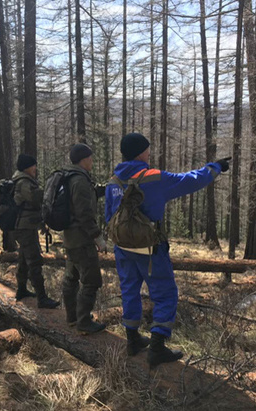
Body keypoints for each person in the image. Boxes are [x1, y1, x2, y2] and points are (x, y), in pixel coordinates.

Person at [105, 133, 230, 367]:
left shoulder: (113, 181)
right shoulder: (153, 177)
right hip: (150, 248)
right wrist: (215, 168)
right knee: (165, 293)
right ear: (140, 152)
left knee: (129, 290)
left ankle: (132, 339)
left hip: (122, 247)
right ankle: (157, 348)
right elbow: (190, 180)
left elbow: (108, 216)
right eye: (147, 149)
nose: (150, 153)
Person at [62, 143, 107, 334]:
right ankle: (83, 322)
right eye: (90, 157)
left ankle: (72, 317)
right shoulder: (79, 180)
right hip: (82, 239)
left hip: (71, 238)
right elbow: (83, 213)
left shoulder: (72, 177)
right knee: (91, 280)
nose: (92, 161)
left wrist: (107, 187)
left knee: (71, 278)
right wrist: (97, 236)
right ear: (83, 159)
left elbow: (88, 195)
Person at [12, 154, 60, 309]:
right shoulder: (24, 182)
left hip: (26, 226)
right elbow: (36, 199)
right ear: (26, 167)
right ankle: (42, 298)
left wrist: (41, 225)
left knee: (24, 259)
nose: (35, 168)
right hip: (25, 228)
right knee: (34, 261)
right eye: (33, 166)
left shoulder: (21, 180)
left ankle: (21, 290)